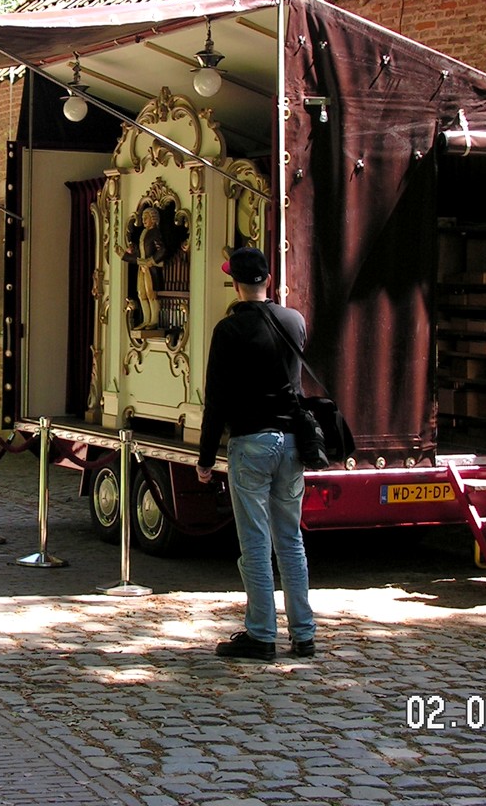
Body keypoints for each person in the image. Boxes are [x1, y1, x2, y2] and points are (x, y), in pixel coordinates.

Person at [195, 246, 316, 661]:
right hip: (292, 443)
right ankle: (304, 634)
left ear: (235, 283)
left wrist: (206, 457)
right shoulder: (294, 322)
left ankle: (262, 634)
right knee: (291, 541)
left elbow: (217, 400)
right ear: (268, 279)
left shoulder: (228, 331)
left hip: (251, 443)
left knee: (256, 544)